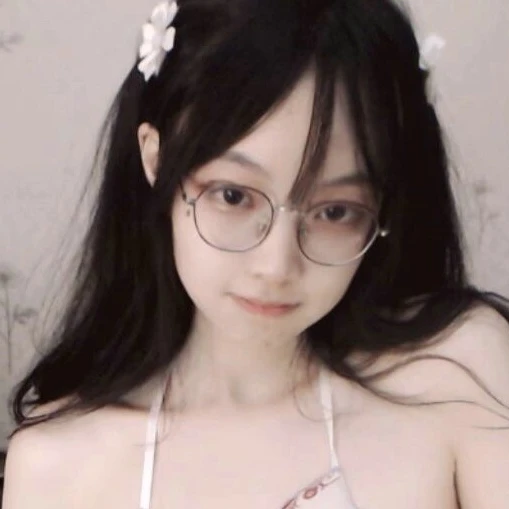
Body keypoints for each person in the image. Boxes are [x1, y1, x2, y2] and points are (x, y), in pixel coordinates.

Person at [3, 0, 509, 507]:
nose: (276, 267)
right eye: (234, 196)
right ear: (156, 160)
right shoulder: (59, 465)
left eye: (335, 211)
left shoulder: (459, 375)